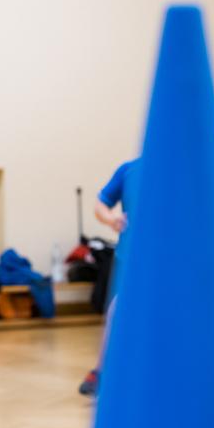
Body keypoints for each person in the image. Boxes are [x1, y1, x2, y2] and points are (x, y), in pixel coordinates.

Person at [79, 158, 140, 396]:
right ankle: (102, 372)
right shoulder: (129, 171)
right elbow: (100, 205)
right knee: (116, 313)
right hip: (129, 259)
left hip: (168, 260)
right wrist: (111, 218)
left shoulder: (180, 169)